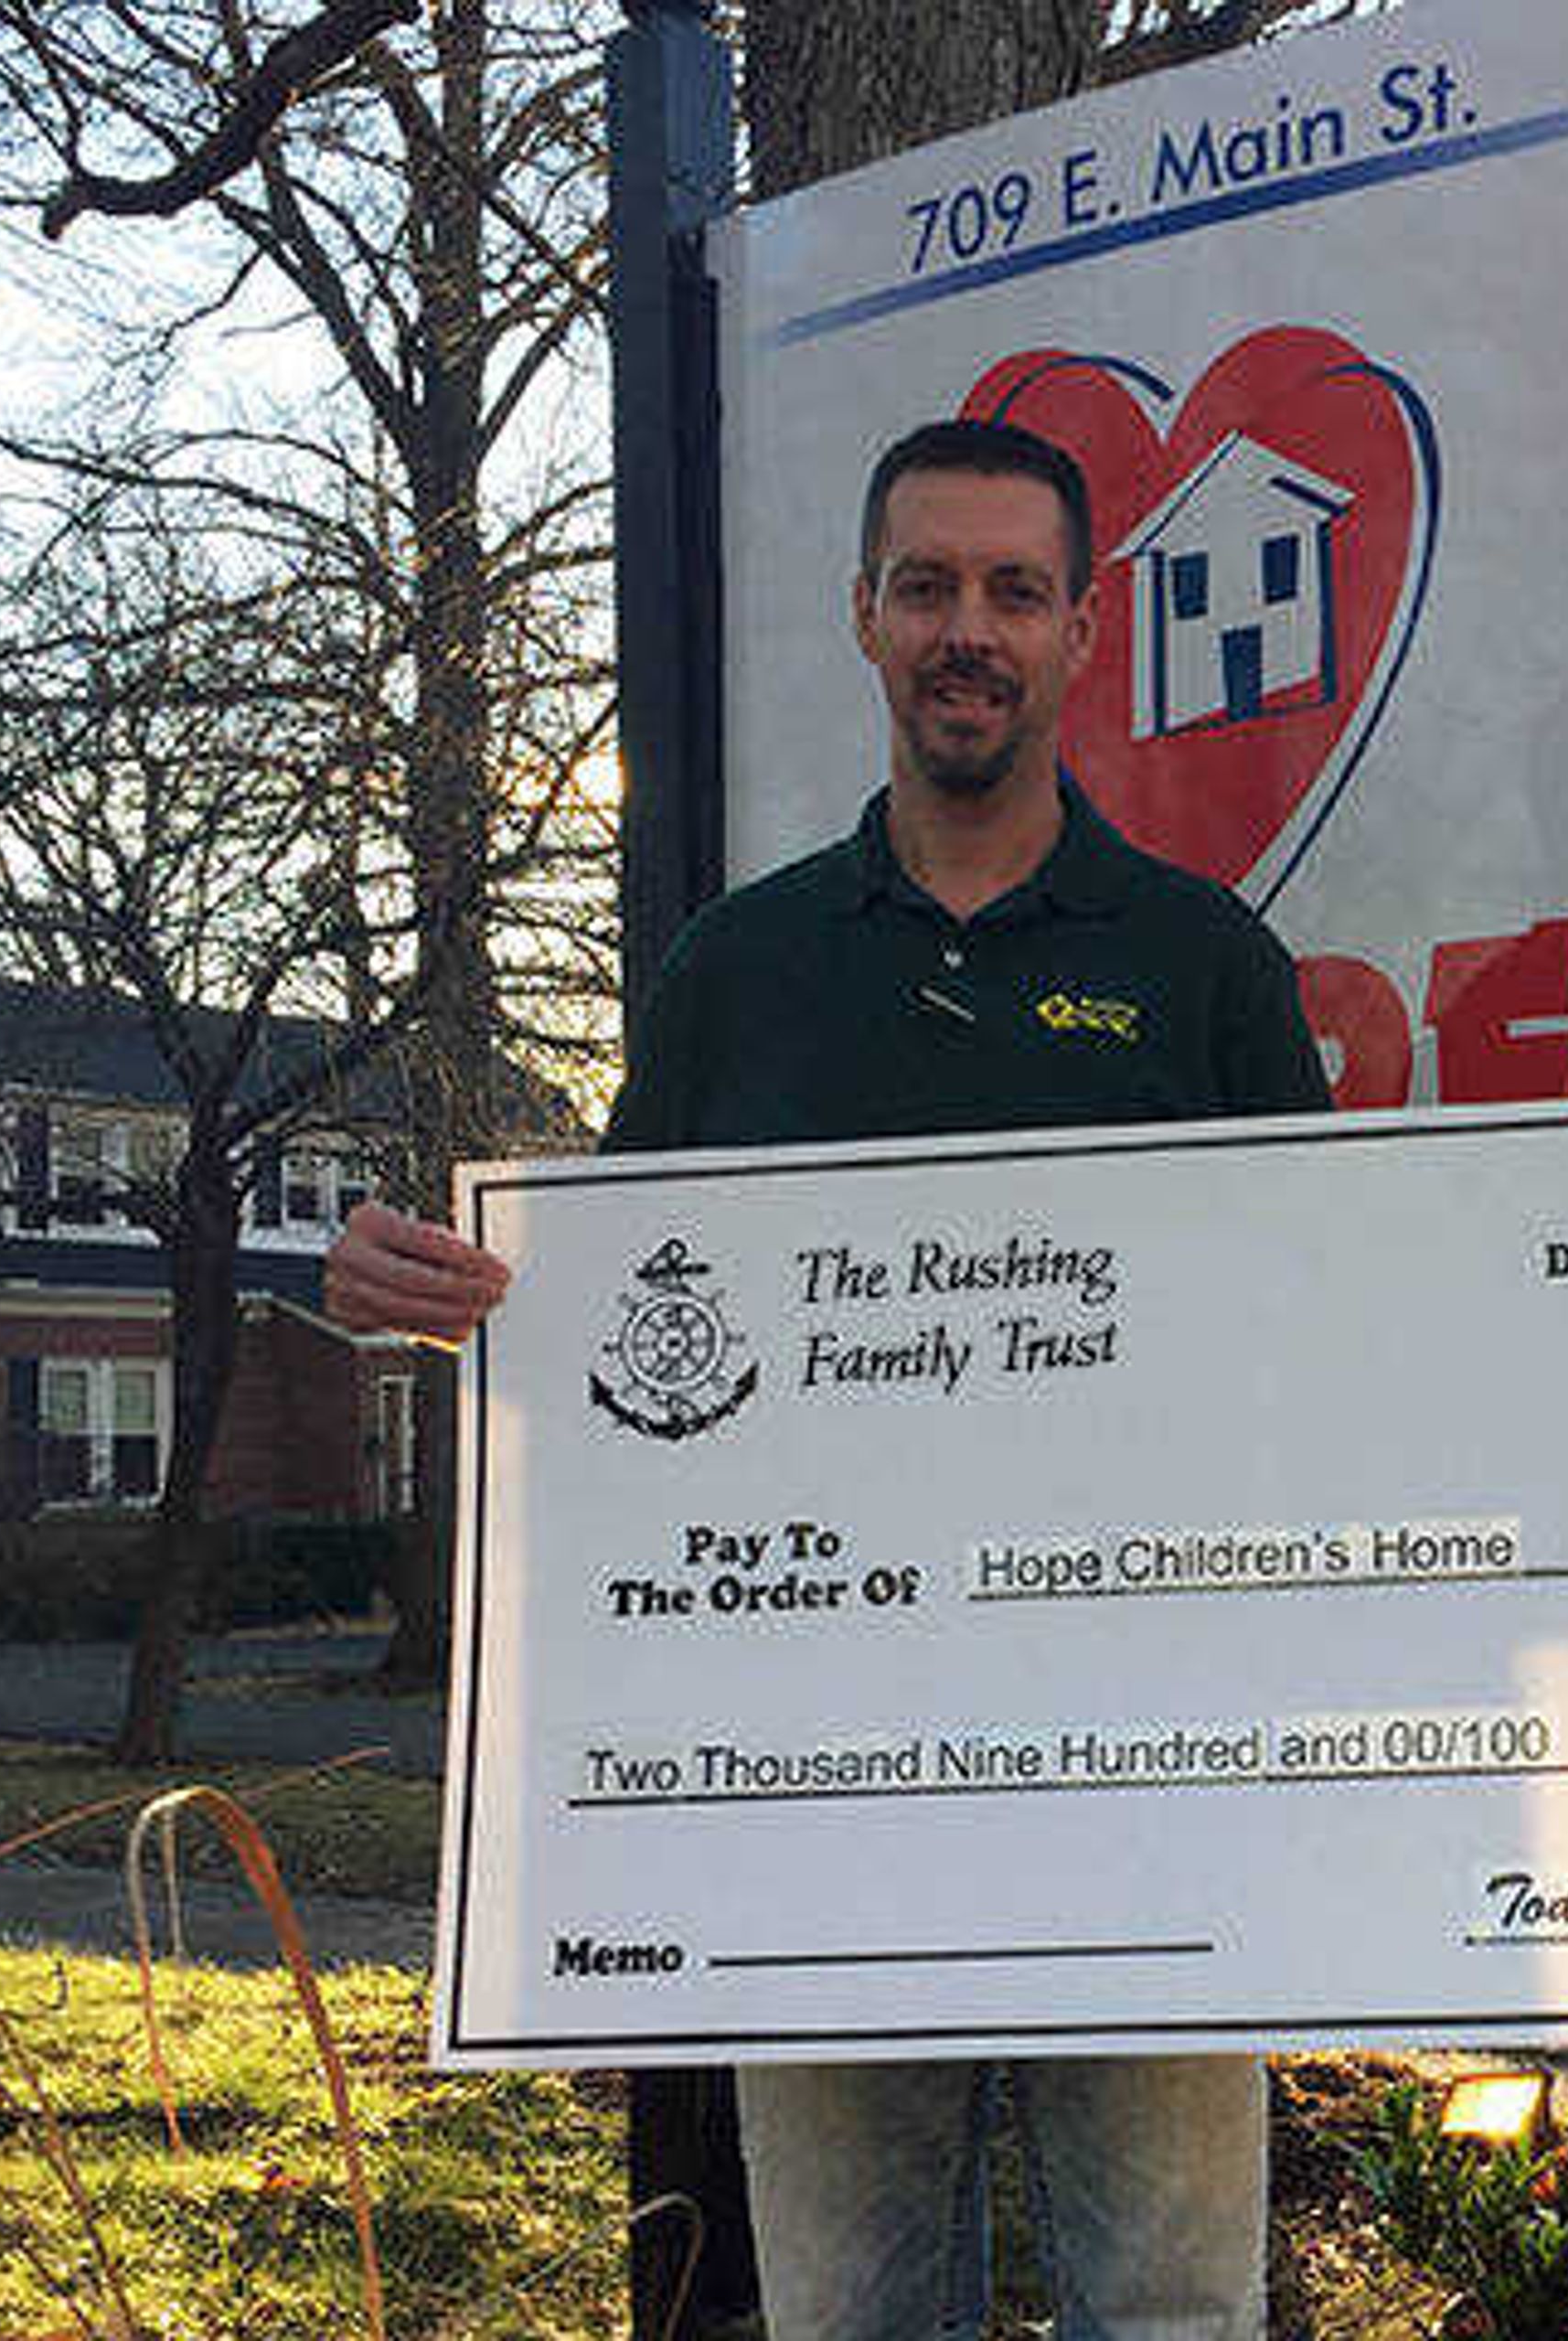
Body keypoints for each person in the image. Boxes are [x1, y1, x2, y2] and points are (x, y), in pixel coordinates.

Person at [326, 417, 1328, 2340]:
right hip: (814, 1793)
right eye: (930, 584)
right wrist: (442, 1293)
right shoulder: (738, 970)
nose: (972, 627)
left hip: (1156, 1779)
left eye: (1016, 590)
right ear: (864, 615)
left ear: (1083, 630)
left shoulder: (1207, 967)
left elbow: (1319, 1341)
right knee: (850, 2316)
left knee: (1177, 2311)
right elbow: (628, 1346)